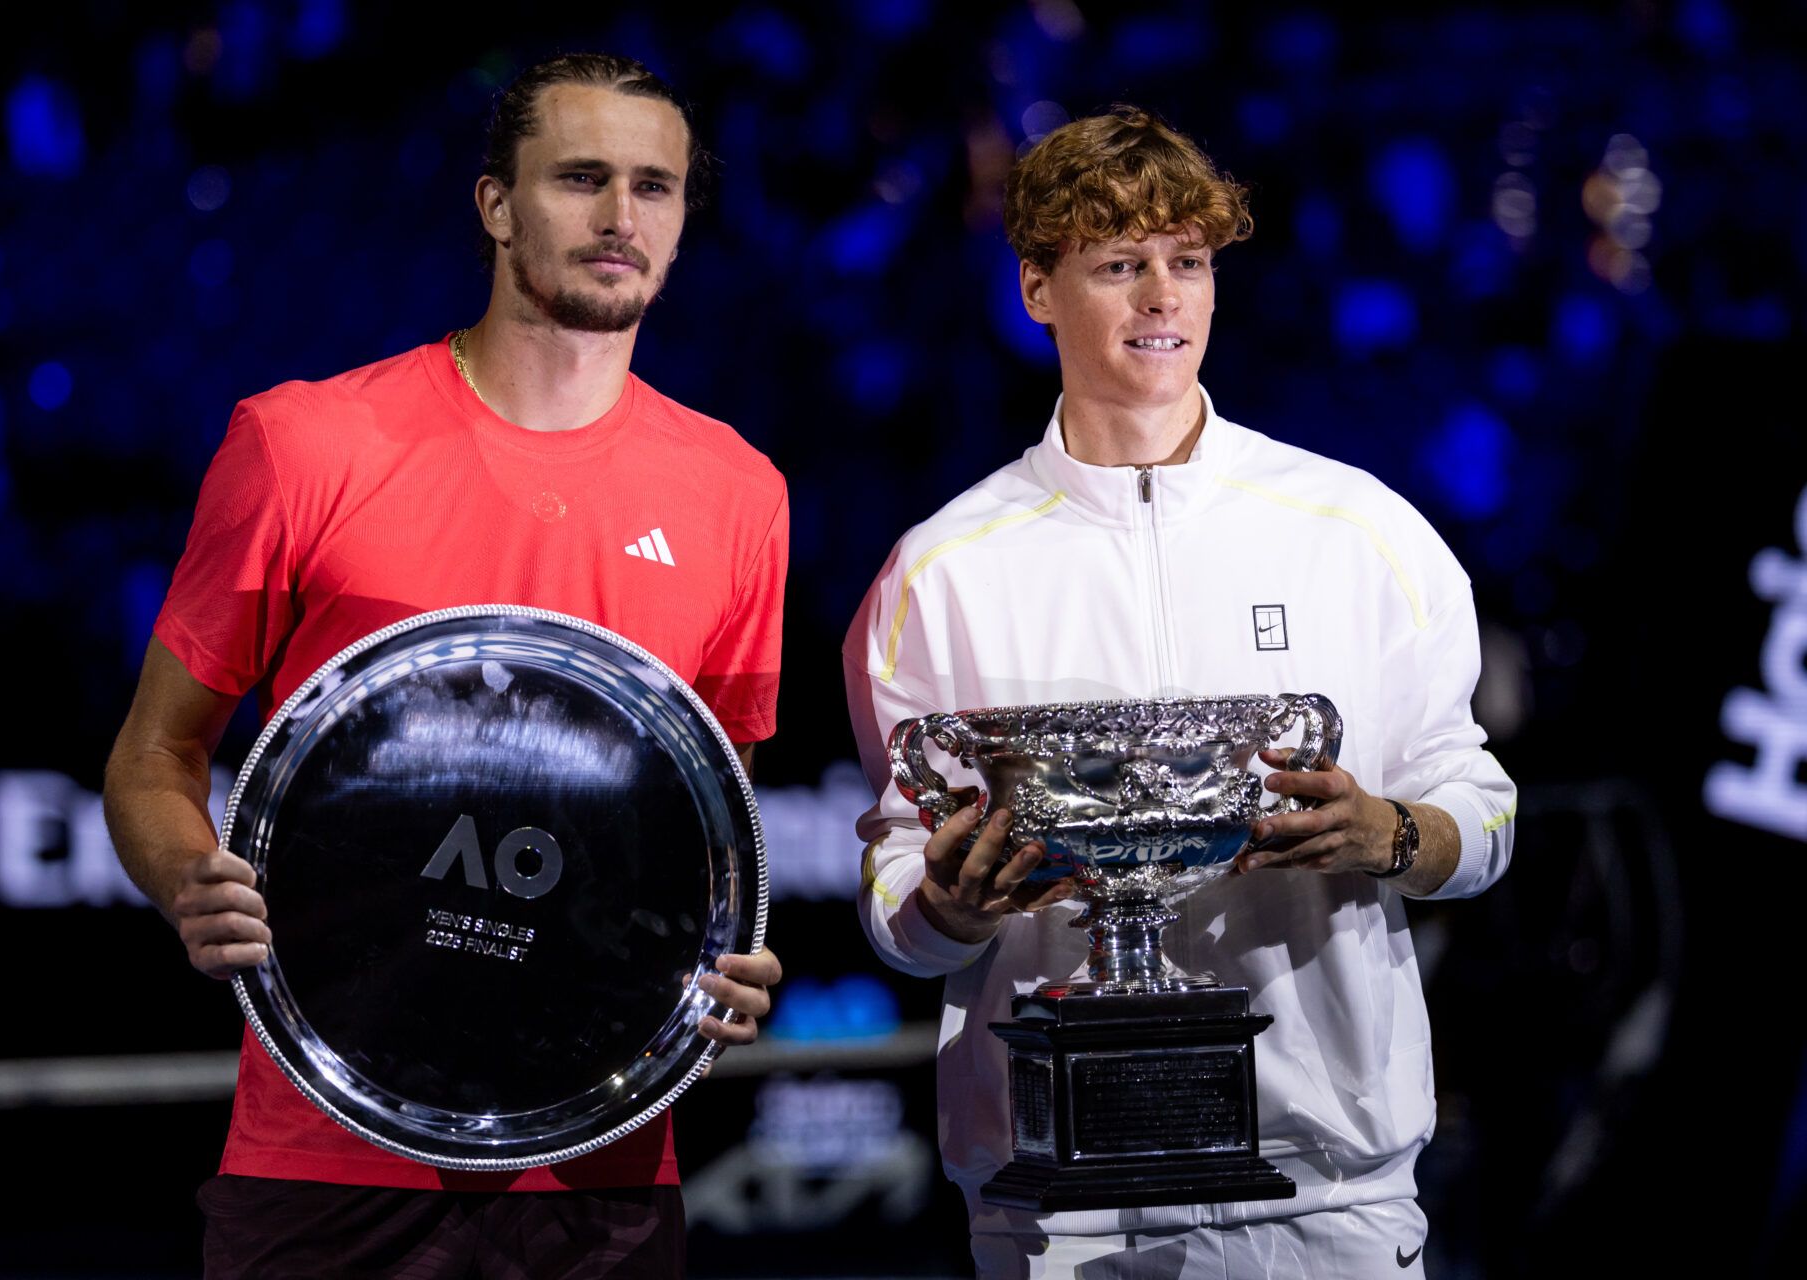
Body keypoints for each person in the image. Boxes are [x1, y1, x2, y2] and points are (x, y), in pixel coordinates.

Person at [103, 53, 786, 1279]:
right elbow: (155, 754)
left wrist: (725, 968)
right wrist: (187, 879)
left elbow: (697, 842)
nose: (621, 218)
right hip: (322, 1158)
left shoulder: (741, 494)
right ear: (495, 205)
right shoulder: (303, 443)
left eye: (656, 187)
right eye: (581, 178)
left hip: (605, 1173)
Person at [845, 106, 1516, 1278]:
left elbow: (1484, 808)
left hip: (1328, 1191)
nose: (1163, 296)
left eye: (1188, 261)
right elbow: (899, 885)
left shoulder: (1359, 531)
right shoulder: (942, 569)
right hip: (1056, 1202)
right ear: (1038, 290)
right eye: (1119, 264)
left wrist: (1394, 830)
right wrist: (947, 904)